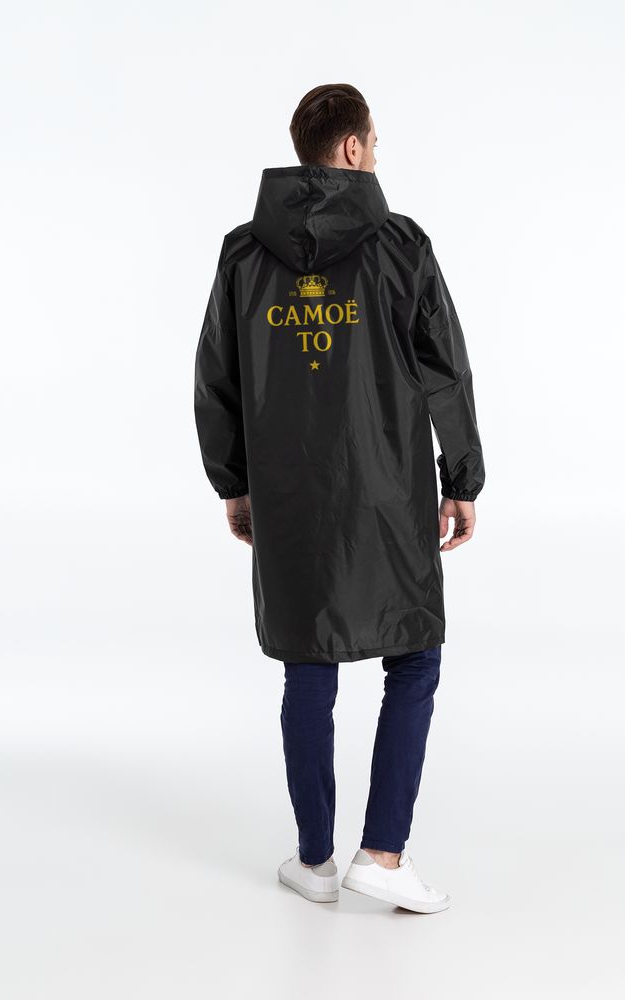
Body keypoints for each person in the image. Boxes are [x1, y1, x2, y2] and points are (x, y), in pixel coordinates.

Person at [194, 84, 485, 913]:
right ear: (353, 149)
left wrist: (234, 482)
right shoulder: (401, 245)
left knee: (308, 659)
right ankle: (382, 856)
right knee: (414, 657)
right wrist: (461, 477)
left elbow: (217, 378)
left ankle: (316, 862)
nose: (376, 155)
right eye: (375, 143)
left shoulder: (243, 254)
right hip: (389, 488)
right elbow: (445, 369)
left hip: (288, 494)